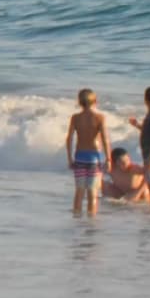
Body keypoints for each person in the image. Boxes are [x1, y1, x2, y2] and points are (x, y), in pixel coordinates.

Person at [64, 88, 111, 216]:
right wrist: (109, 159)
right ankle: (91, 220)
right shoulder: (99, 117)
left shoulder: (75, 118)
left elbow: (69, 139)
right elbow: (105, 140)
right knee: (92, 192)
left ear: (79, 102)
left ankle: (77, 217)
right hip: (94, 157)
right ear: (95, 101)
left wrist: (69, 158)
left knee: (79, 191)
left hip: (79, 156)